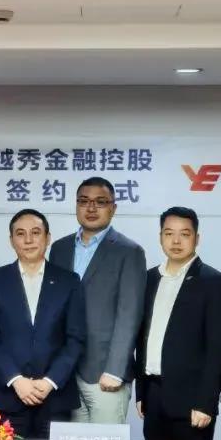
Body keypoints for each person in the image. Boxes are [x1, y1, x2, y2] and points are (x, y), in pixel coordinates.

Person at [0, 209, 86, 439]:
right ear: (11, 240)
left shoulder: (69, 281)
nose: (28, 240)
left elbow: (75, 339)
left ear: (48, 238)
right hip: (9, 396)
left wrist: (49, 381)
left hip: (55, 397)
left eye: (35, 233)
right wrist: (16, 380)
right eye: (20, 233)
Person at [49, 177, 145, 424]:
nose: (91, 208)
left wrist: (115, 369)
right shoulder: (59, 248)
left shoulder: (129, 251)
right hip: (64, 374)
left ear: (113, 208)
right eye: (84, 201)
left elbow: (129, 314)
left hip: (105, 373)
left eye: (100, 202)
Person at [134, 206, 221, 440]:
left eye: (184, 234)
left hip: (192, 403)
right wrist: (141, 392)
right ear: (160, 237)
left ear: (197, 238)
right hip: (153, 396)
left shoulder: (214, 282)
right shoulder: (148, 278)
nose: (176, 241)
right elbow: (141, 338)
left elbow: (217, 349)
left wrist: (206, 403)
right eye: (169, 233)